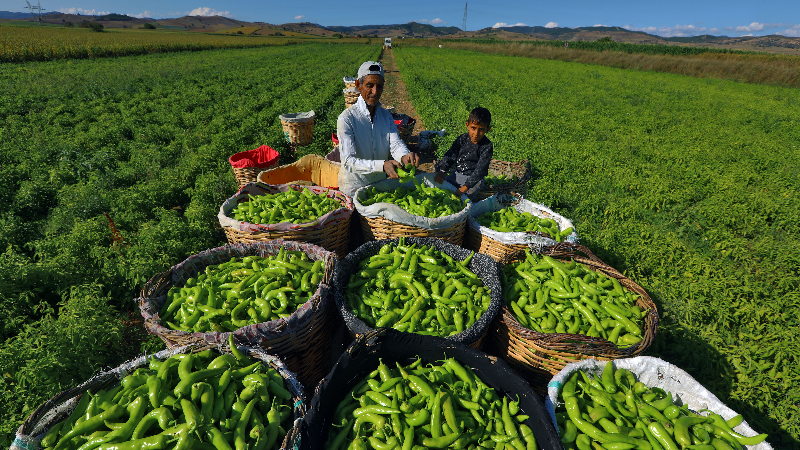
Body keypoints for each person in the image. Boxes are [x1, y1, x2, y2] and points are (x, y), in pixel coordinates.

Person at [337, 61, 420, 198]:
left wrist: (404, 155)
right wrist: (382, 166)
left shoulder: (386, 116)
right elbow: (349, 161)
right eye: (370, 85)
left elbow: (395, 144)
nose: (375, 92)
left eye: (379, 86)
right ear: (358, 85)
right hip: (355, 188)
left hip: (380, 185)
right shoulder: (347, 118)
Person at [434, 107, 494, 199]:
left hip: (474, 181)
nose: (476, 133)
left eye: (481, 129)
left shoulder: (486, 146)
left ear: (487, 129)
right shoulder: (462, 139)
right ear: (467, 125)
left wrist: (465, 188)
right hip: (457, 174)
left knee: (464, 198)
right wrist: (442, 171)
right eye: (473, 128)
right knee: (442, 190)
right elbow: (451, 154)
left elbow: (480, 170)